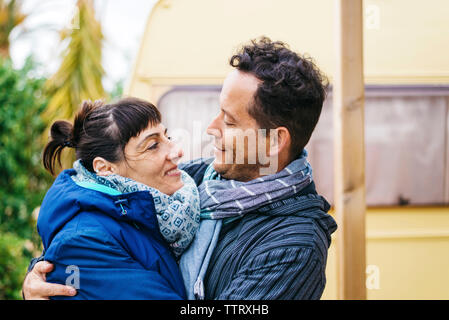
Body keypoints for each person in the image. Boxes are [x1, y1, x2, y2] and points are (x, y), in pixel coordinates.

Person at [23, 37, 337, 300]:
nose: (212, 128)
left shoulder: (295, 247)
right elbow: (105, 224)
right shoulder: (199, 178)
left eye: (229, 121)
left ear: (273, 141)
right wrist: (46, 274)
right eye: (218, 113)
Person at [28, 97, 201, 299]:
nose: (177, 151)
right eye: (153, 145)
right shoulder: (84, 243)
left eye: (167, 137)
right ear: (105, 168)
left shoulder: (151, 209)